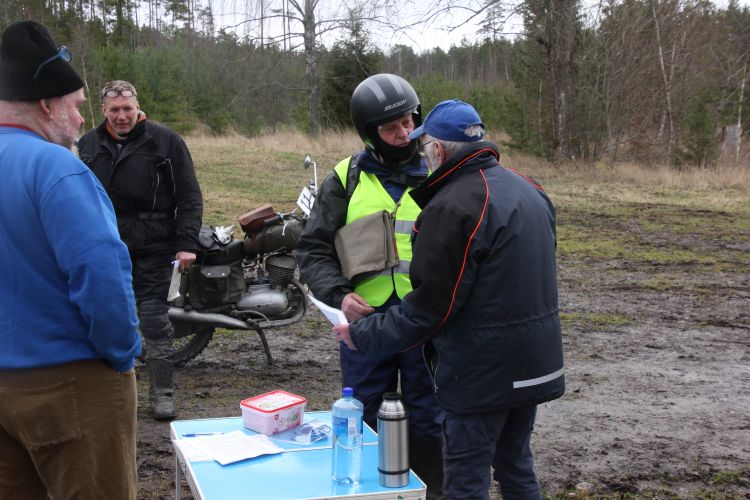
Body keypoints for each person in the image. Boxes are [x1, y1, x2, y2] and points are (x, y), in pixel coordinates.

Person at [333, 99, 566, 500]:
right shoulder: (531, 189)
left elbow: (431, 307)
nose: (421, 154)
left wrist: (363, 334)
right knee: (516, 465)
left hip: (480, 374)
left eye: (424, 146)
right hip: (534, 363)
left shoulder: (452, 207)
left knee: (465, 480)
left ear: (438, 150)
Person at [0, 20, 142, 499]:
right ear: (47, 105)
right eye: (78, 106)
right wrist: (122, 354)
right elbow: (101, 273)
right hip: (71, 384)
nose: (83, 120)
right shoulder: (57, 167)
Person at [295, 73, 444, 497]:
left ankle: (430, 491)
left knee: (430, 416)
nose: (404, 133)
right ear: (369, 132)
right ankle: (368, 493)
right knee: (361, 416)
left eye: (409, 121)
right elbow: (313, 250)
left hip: (425, 319)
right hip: (366, 323)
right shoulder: (346, 178)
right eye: (390, 127)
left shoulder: (440, 171)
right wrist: (340, 295)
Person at [78, 80, 203, 420]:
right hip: (106, 244)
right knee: (105, 318)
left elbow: (189, 195)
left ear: (138, 108)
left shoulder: (166, 141)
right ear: (104, 110)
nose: (122, 116)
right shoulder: (88, 144)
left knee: (153, 320)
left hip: (154, 243)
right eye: (115, 110)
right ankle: (110, 393)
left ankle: (162, 394)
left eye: (127, 109)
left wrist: (186, 243)